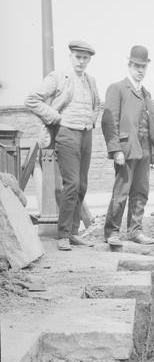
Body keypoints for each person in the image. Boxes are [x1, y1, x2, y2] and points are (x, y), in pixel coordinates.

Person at [25, 40, 100, 251]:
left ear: (89, 60)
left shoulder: (90, 80)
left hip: (86, 134)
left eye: (85, 58)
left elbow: (98, 103)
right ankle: (63, 235)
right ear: (70, 56)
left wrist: (92, 119)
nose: (81, 61)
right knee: (72, 184)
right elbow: (31, 100)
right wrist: (55, 117)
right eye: (78, 57)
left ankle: (74, 232)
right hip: (66, 134)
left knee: (82, 185)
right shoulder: (59, 77)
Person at [102, 45, 154, 244]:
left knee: (141, 192)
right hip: (126, 150)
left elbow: (151, 126)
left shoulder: (146, 93)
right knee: (121, 193)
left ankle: (134, 231)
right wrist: (116, 150)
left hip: (144, 151)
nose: (140, 70)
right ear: (129, 65)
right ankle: (112, 232)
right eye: (137, 66)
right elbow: (109, 121)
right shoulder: (117, 88)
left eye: (143, 67)